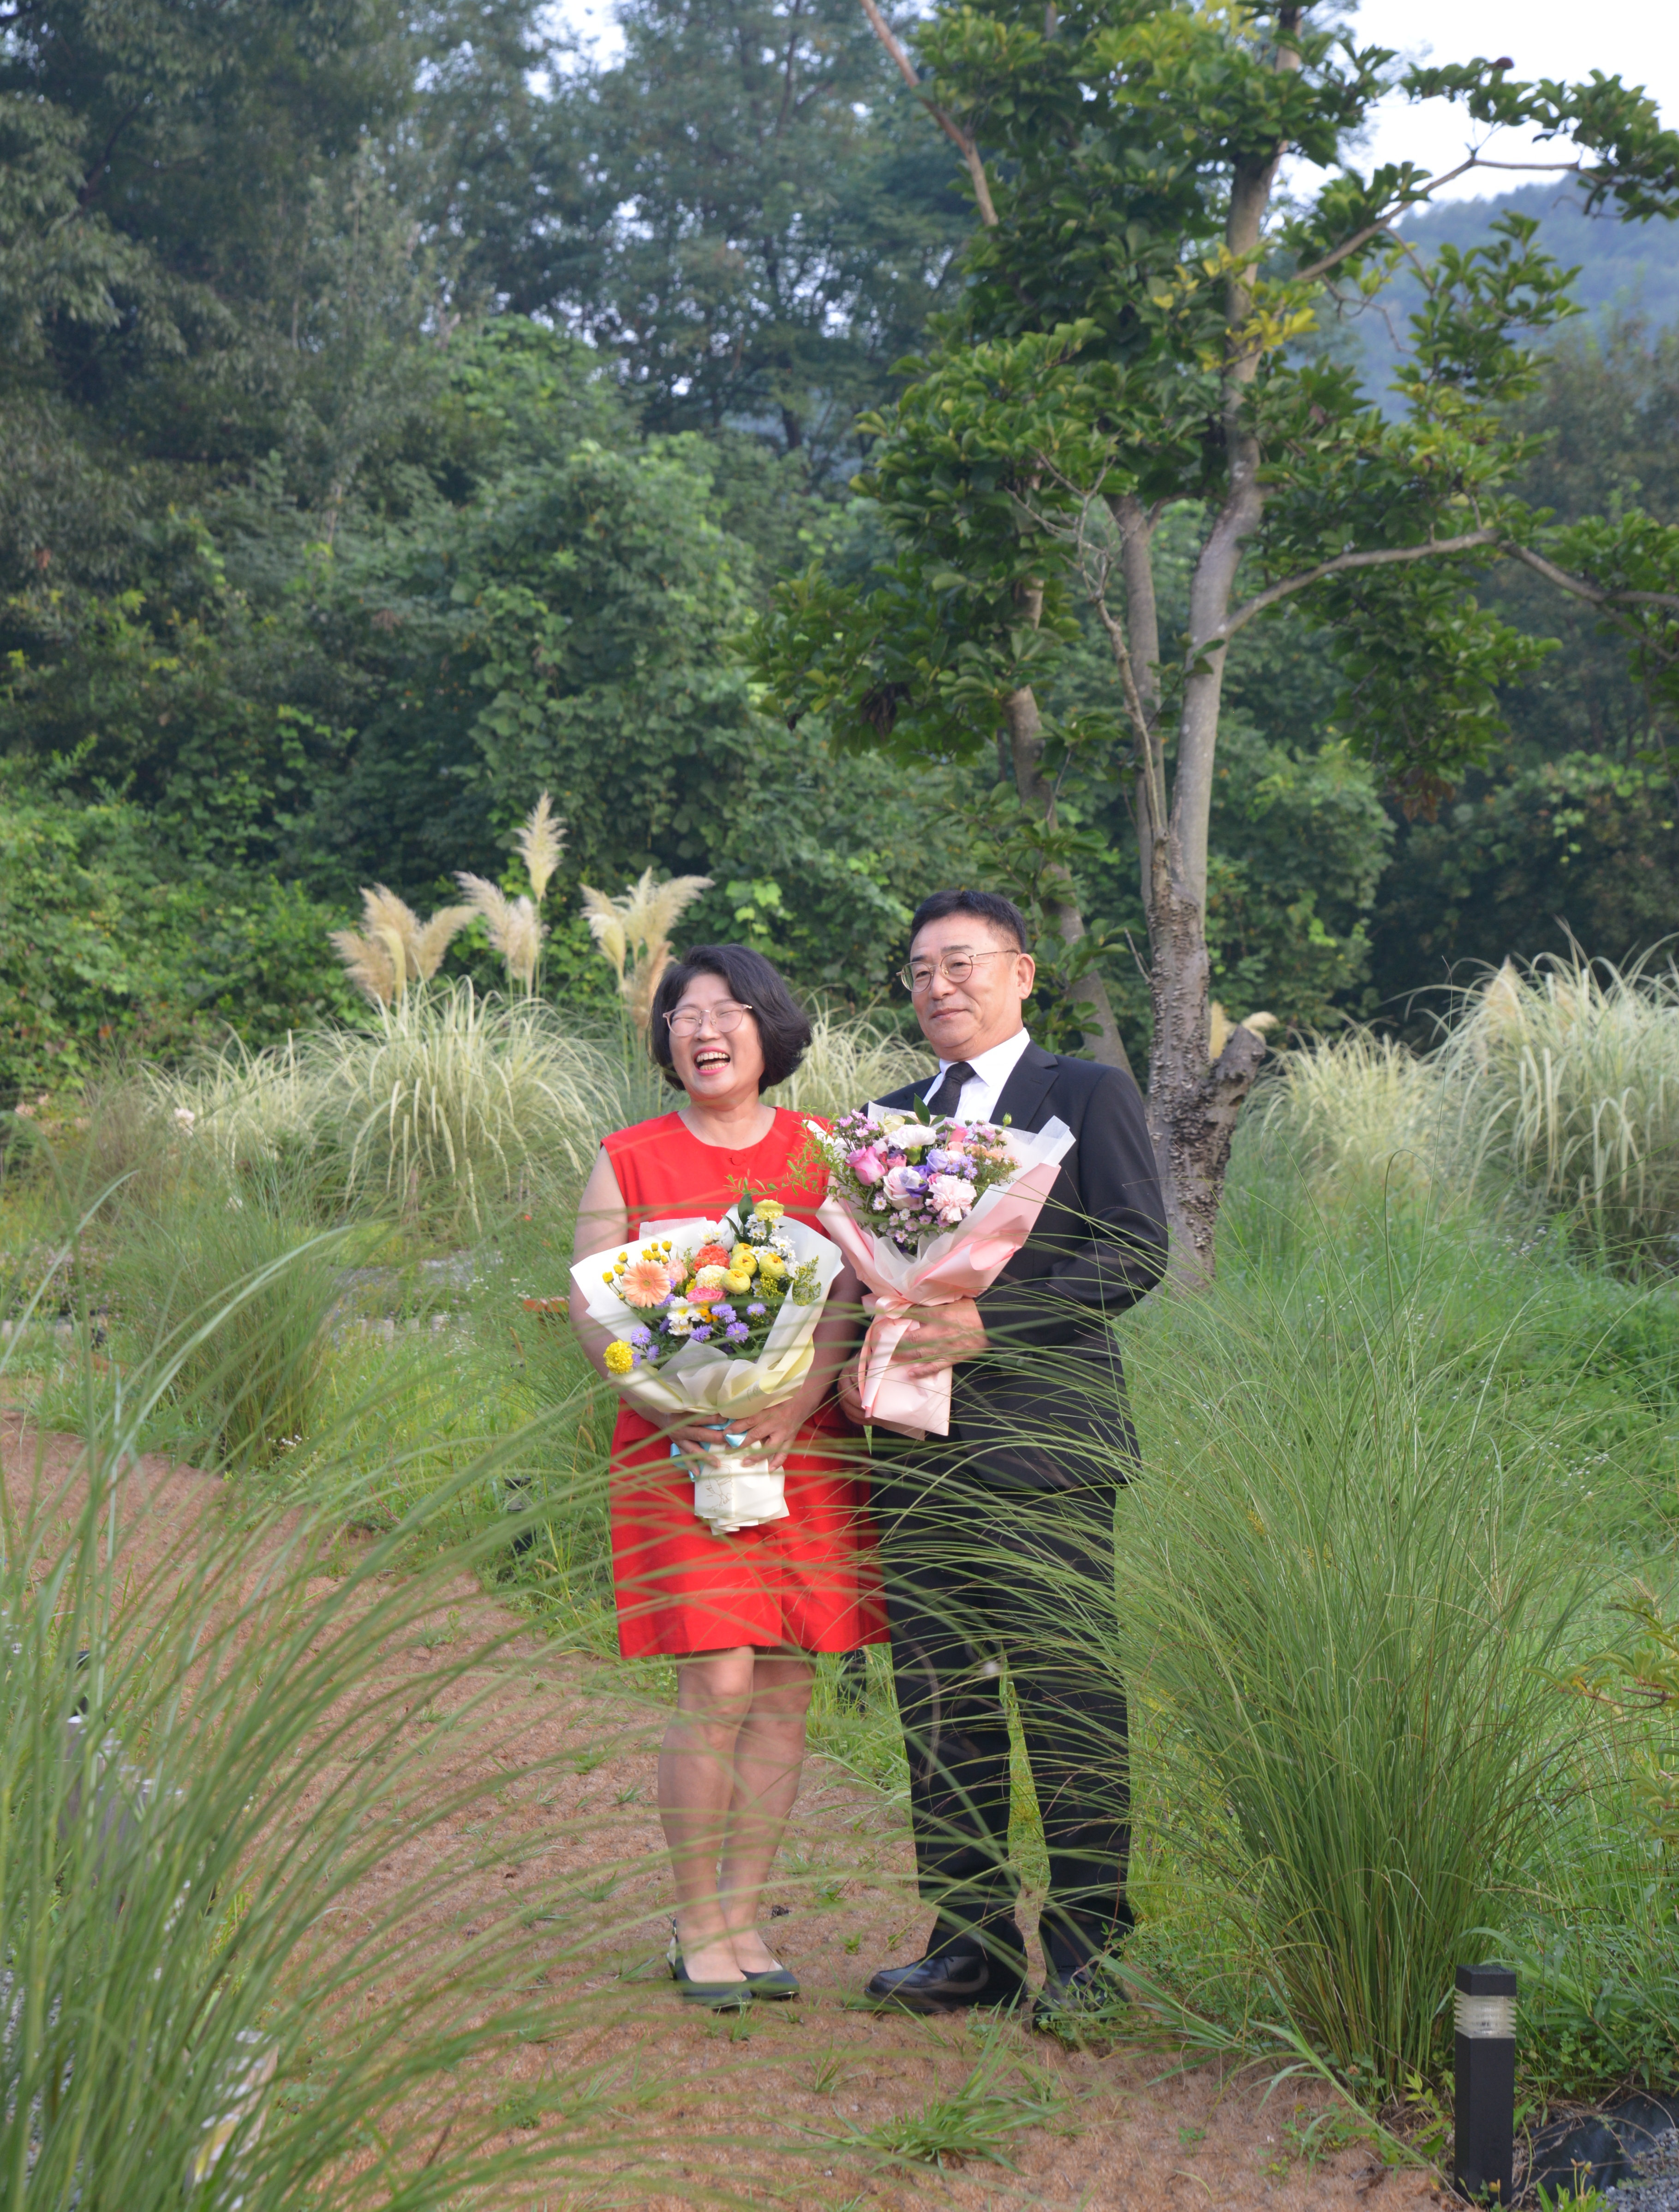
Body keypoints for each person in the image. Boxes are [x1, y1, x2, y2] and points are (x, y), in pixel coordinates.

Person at [842, 889, 1168, 2026]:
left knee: (1066, 1695)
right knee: (940, 1698)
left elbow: (1135, 1248)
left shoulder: (1083, 1093)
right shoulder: (882, 1121)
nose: (937, 986)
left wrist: (991, 1324)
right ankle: (968, 1944)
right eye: (918, 971)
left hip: (1044, 1450)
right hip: (913, 1454)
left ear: (1020, 972)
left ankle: (1088, 1954)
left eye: (960, 963)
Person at [568, 944, 882, 2011]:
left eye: (728, 1010)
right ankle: (694, 1918)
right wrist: (673, 1405)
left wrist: (795, 1406)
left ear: (768, 1027)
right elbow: (593, 1308)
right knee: (718, 1678)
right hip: (679, 1452)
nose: (704, 1030)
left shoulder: (825, 1154)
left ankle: (745, 1913)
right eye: (683, 1015)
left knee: (786, 1684)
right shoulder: (627, 1158)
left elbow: (847, 1296)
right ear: (665, 1042)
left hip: (804, 1449)